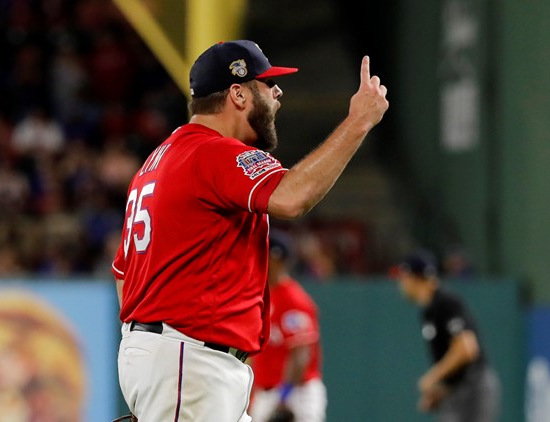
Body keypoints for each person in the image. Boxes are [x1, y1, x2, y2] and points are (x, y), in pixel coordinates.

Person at [110, 39, 388, 422]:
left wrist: (149, 349)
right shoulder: (211, 152)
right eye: (267, 84)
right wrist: (359, 121)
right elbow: (292, 197)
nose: (278, 93)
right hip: (190, 361)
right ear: (238, 94)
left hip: (182, 359)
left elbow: (125, 275)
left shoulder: (157, 162)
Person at [394, 249, 501, 422]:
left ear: (414, 277)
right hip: (458, 391)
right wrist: (441, 390)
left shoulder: (445, 302)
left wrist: (433, 377)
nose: (401, 284)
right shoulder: (429, 312)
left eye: (403, 277)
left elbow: (467, 348)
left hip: (474, 388)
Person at [249, 230, 327, 422]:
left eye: (262, 255)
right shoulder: (260, 296)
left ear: (275, 259)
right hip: (265, 393)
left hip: (298, 394)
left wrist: (284, 398)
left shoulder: (294, 300)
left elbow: (301, 355)